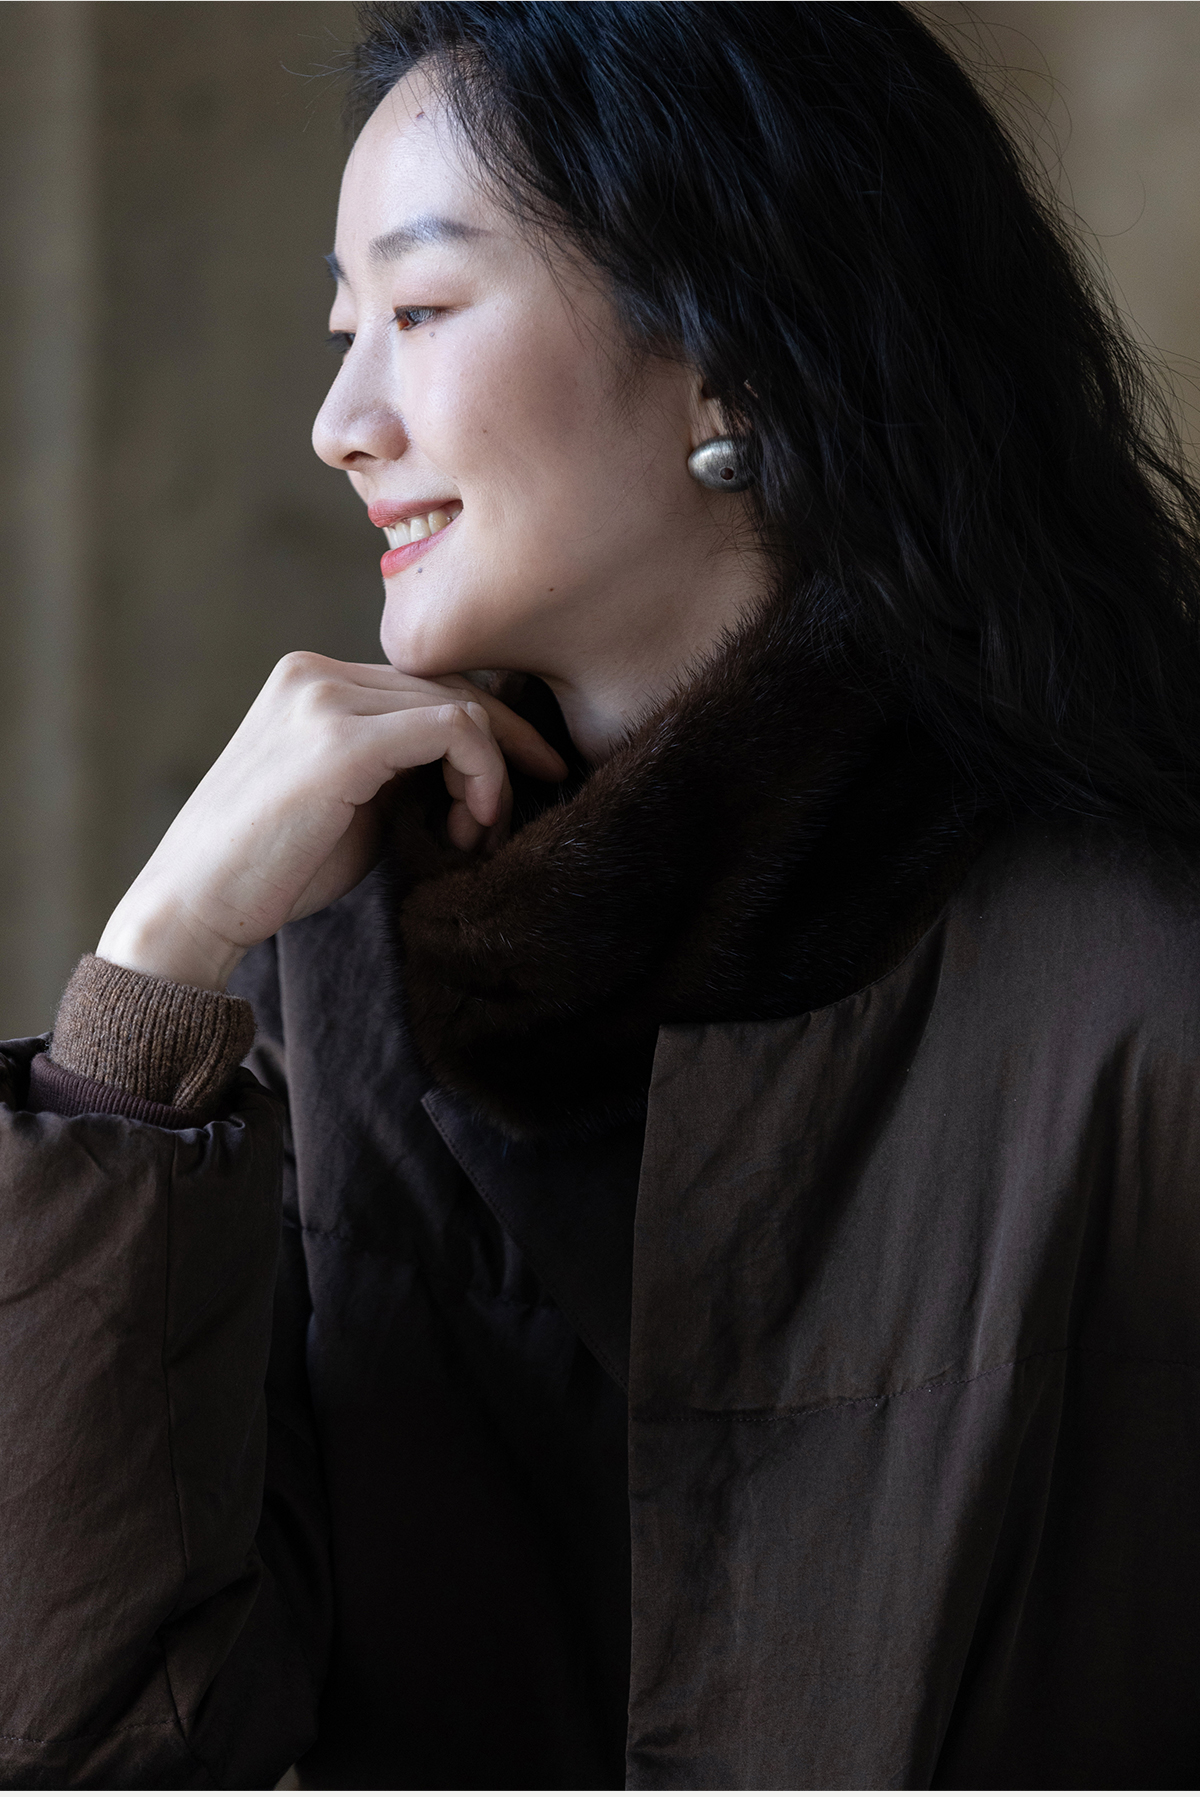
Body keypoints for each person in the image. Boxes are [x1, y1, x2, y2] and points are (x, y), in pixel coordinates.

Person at [5, 0, 1200, 1786]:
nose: (339, 423)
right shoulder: (342, 973)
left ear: (733, 356)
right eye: (343, 332)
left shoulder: (1141, 992)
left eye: (419, 311)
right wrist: (146, 985)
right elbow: (98, 1746)